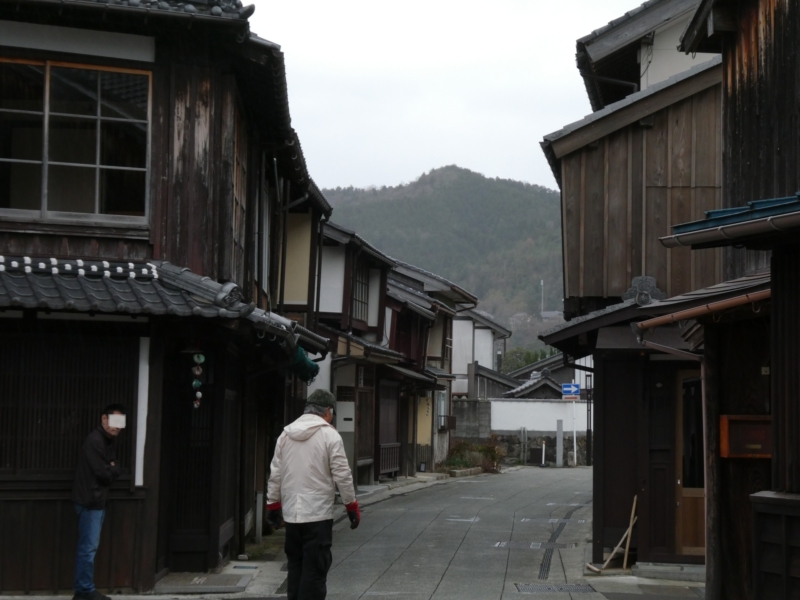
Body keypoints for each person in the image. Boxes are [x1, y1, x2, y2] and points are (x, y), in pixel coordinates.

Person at [267, 389, 360, 600]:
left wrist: (273, 506)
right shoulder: (330, 435)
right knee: (316, 570)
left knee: (296, 568)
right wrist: (351, 506)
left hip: (292, 515)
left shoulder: (285, 434)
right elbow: (342, 475)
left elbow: (276, 473)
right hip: (318, 515)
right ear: (327, 410)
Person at [71, 404, 126, 600]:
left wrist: (112, 468)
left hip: (96, 499)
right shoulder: (95, 441)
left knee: (88, 547)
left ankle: (83, 590)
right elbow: (104, 473)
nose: (117, 427)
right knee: (88, 548)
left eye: (120, 424)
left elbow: (113, 467)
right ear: (104, 419)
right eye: (114, 422)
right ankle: (84, 591)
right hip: (90, 500)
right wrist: (112, 469)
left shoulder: (108, 441)